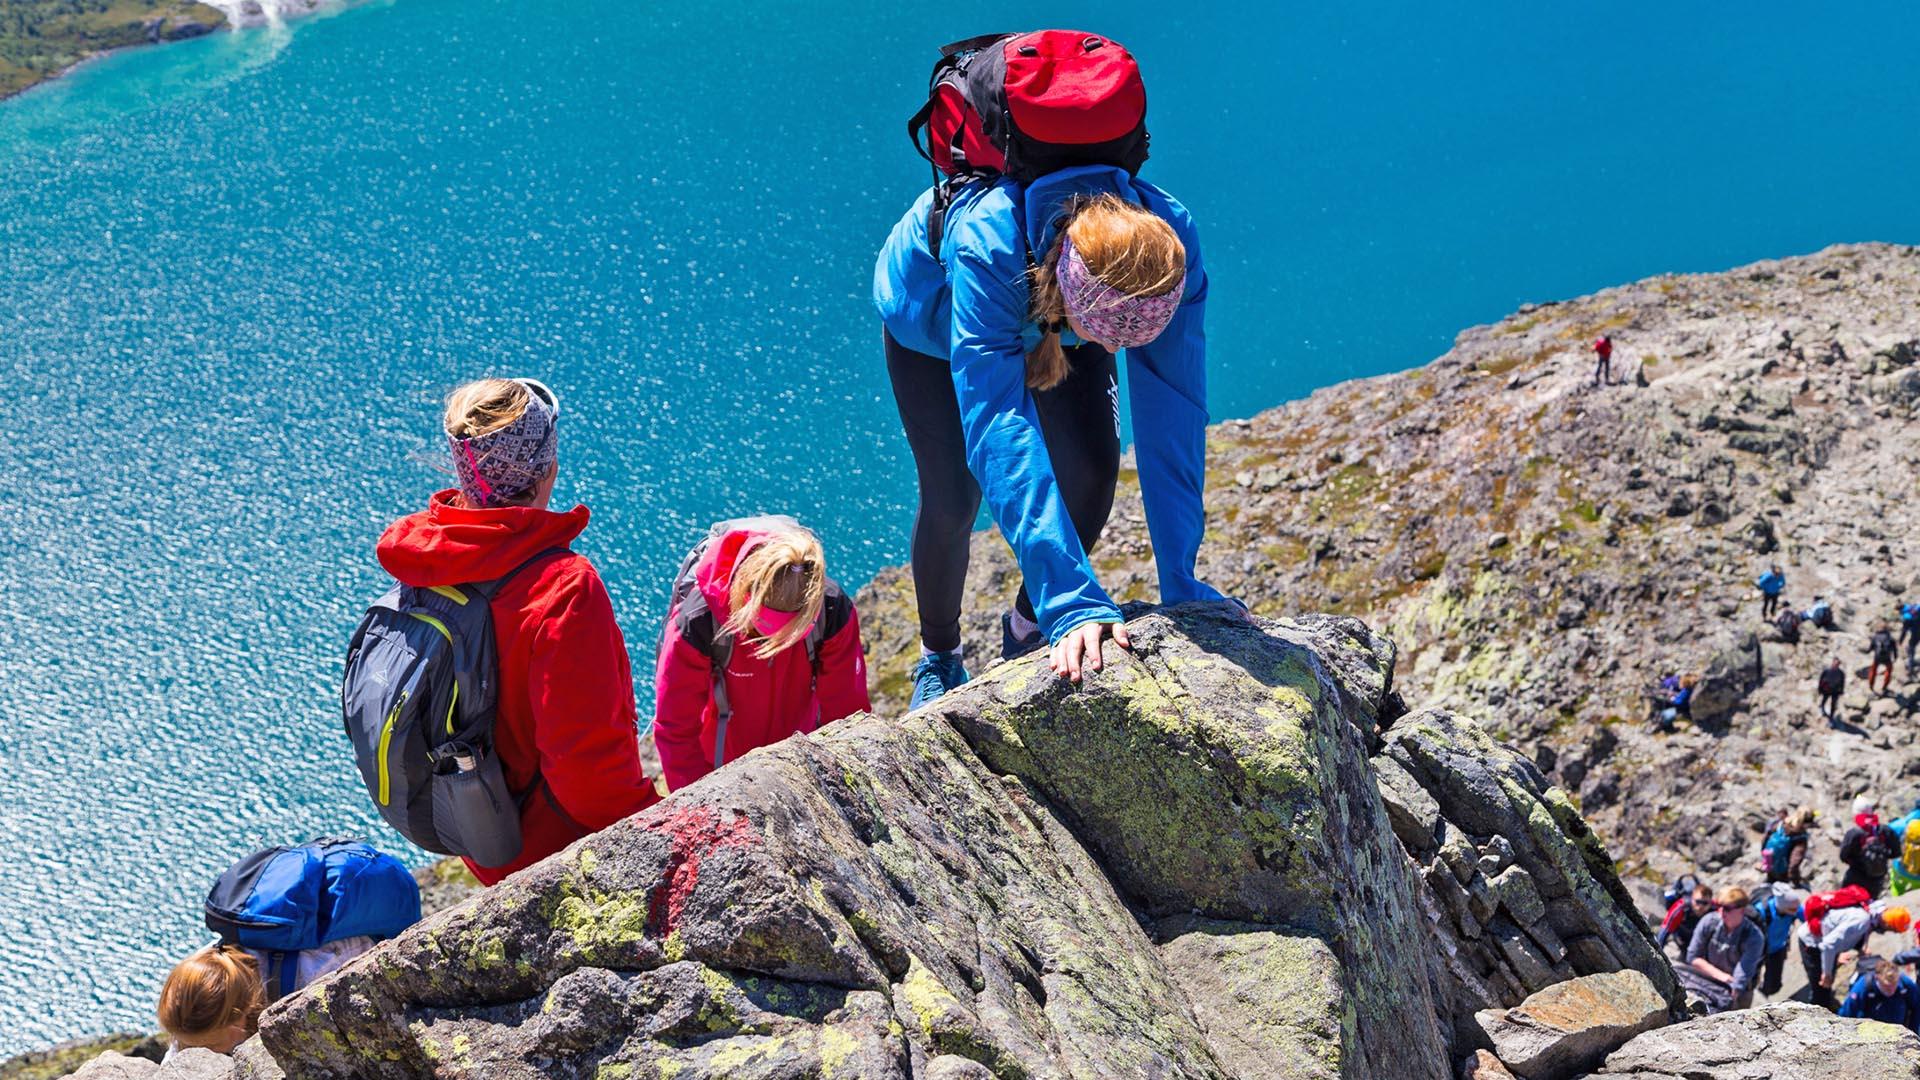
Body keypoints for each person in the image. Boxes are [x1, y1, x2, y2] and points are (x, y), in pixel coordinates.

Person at [875, 166, 1230, 707]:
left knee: (1090, 474)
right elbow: (999, 426)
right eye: (1109, 340)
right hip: (937, 324)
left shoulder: (1167, 247)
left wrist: (1181, 582)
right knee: (953, 498)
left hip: (1071, 308)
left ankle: (1026, 628)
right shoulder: (988, 247)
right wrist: (1071, 599)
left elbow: (1175, 414)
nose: (1116, 355)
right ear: (1074, 298)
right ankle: (939, 657)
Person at [376, 377, 657, 885]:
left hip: (482, 833)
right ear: (547, 469)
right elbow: (589, 779)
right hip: (557, 851)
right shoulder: (563, 589)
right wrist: (660, 829)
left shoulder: (427, 561)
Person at [654, 517, 871, 791]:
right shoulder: (699, 620)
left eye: (791, 636)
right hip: (721, 772)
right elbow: (676, 730)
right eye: (758, 633)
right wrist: (698, 807)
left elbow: (847, 716)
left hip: (799, 768)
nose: (771, 644)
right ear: (744, 596)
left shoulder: (831, 610)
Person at [1799, 901, 1909, 1010]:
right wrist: (1826, 973)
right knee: (1822, 986)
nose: (1888, 932)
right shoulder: (1861, 921)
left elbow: (1860, 930)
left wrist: (1862, 948)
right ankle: (1817, 1011)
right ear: (1887, 924)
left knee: (1828, 980)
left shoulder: (1875, 911)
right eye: (1893, 930)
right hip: (1811, 942)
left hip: (1827, 938)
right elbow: (1828, 946)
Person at [157, 946, 264, 1058]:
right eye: (188, 1045)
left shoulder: (279, 1001)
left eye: (211, 1045)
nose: (199, 1054)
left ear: (240, 1017)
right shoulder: (198, 970)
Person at [1684, 886, 1765, 1010]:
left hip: (1739, 991)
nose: (1721, 912)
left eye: (1727, 908)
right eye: (1719, 906)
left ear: (1742, 910)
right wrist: (1722, 977)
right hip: (1706, 980)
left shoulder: (1754, 937)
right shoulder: (1709, 922)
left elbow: (1740, 978)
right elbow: (1692, 956)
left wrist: (1731, 991)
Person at [1839, 950, 1920, 1029]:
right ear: (1877, 978)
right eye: (1887, 986)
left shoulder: (1905, 984)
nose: (1891, 990)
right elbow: (1846, 1013)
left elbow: (1917, 1007)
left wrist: (1914, 1033)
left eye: (1894, 985)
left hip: (1899, 1027)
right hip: (1869, 1029)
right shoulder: (1864, 986)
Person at [1749, 886, 1804, 998]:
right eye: (1792, 910)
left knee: (1774, 983)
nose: (1795, 912)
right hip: (1758, 950)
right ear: (1782, 906)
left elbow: (1808, 917)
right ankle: (1752, 990)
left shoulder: (1792, 906)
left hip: (1778, 948)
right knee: (1751, 977)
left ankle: (1765, 991)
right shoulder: (1761, 911)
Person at [1842, 799, 1899, 898]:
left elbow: (1843, 856)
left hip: (1855, 875)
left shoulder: (1854, 833)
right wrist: (1881, 856)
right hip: (1877, 877)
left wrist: (1857, 861)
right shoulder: (1885, 830)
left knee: (1846, 899)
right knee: (1870, 902)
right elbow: (1896, 852)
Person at [1657, 880, 1716, 957]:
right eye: (1698, 902)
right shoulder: (1681, 907)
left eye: (1705, 903)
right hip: (1683, 938)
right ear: (1692, 899)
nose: (1700, 906)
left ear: (1710, 902)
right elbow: (1665, 930)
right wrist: (1657, 954)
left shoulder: (1716, 909)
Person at [1759, 806, 1814, 886]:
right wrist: (1795, 881)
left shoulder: (1781, 824)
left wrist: (1765, 855)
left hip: (1770, 865)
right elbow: (1794, 863)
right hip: (1783, 873)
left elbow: (1766, 837)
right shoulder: (1800, 837)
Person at [1871, 624, 1899, 694]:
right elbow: (1895, 650)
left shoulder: (1875, 637)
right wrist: (1895, 658)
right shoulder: (1891, 638)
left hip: (1877, 657)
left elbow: (1870, 648)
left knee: (1873, 670)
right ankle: (1884, 686)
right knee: (1889, 671)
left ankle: (1871, 685)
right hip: (1887, 658)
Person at [1819, 659, 1846, 724]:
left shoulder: (1841, 673)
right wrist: (1820, 689)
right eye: (1834, 663)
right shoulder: (1826, 671)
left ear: (1839, 665)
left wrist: (1841, 691)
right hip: (1827, 689)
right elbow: (1821, 680)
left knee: (1833, 704)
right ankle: (1822, 707)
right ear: (1832, 663)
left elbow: (1842, 683)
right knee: (1825, 699)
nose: (1835, 665)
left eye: (1837, 664)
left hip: (1835, 691)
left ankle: (1831, 718)